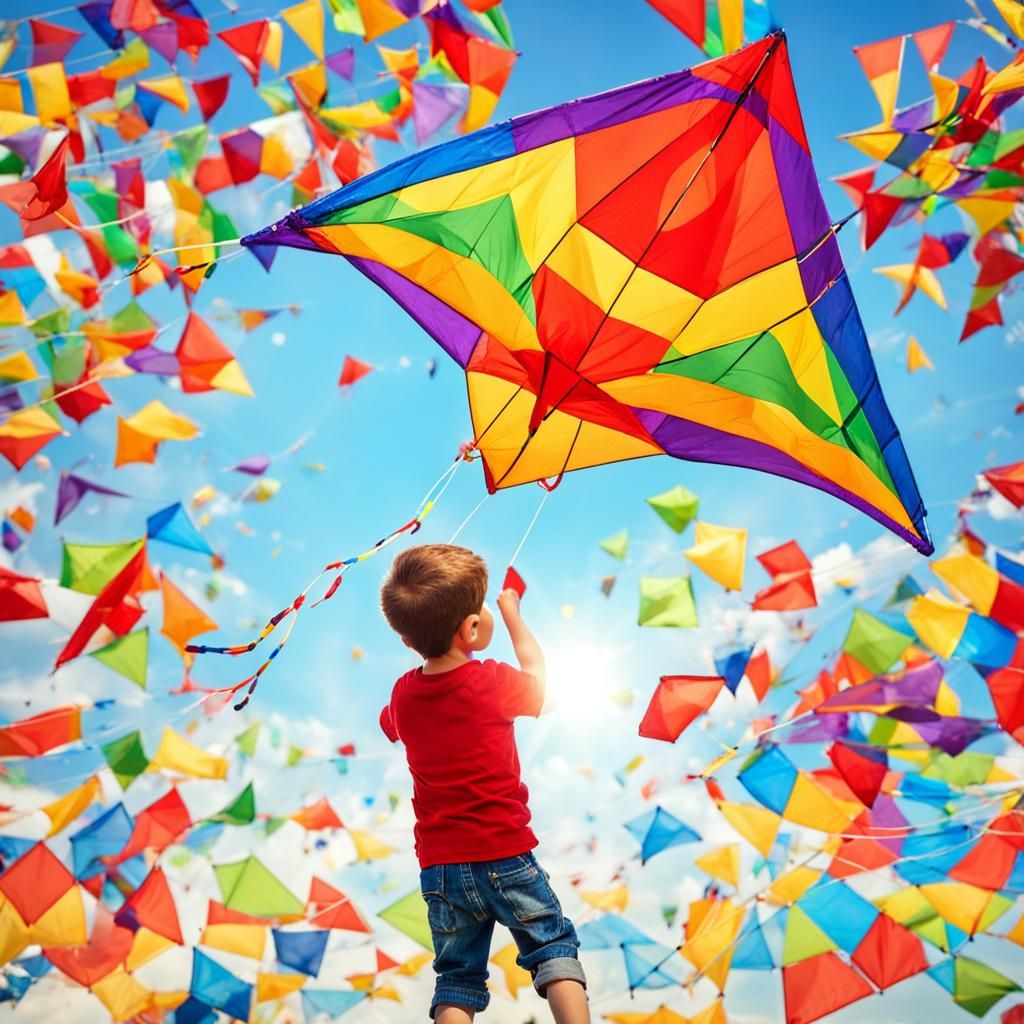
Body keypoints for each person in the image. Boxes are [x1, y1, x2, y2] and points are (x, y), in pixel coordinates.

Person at [379, 544, 590, 1024]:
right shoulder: (491, 682)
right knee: (553, 947)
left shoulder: (403, 694)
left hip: (441, 870)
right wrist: (511, 611)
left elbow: (389, 723)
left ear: (408, 642)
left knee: (456, 979)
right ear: (472, 628)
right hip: (504, 854)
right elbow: (542, 681)